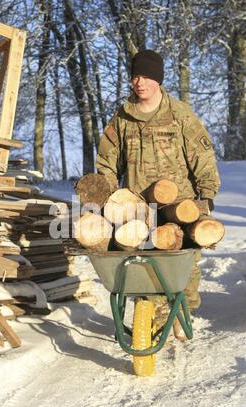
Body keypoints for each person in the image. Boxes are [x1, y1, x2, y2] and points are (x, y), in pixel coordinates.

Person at [96, 50, 221, 339]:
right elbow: (107, 161)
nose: (140, 82)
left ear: (158, 79)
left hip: (180, 204)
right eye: (135, 76)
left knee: (183, 263)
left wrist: (207, 192)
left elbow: (202, 155)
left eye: (146, 76)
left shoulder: (179, 115)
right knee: (142, 261)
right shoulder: (122, 118)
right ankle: (153, 311)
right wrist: (108, 197)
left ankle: (182, 307)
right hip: (139, 205)